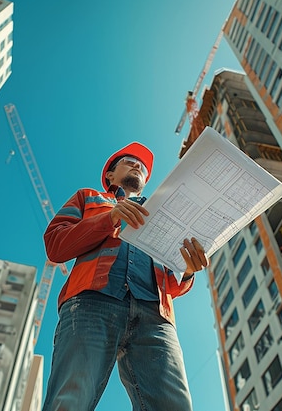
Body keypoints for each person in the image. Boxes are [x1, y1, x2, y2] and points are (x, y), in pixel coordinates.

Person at [42, 142, 209, 411]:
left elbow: (172, 283)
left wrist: (189, 270)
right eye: (129, 161)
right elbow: (56, 245)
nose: (137, 165)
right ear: (109, 175)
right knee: (70, 401)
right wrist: (109, 219)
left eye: (141, 166)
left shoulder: (162, 213)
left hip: (155, 317)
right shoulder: (88, 197)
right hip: (91, 304)